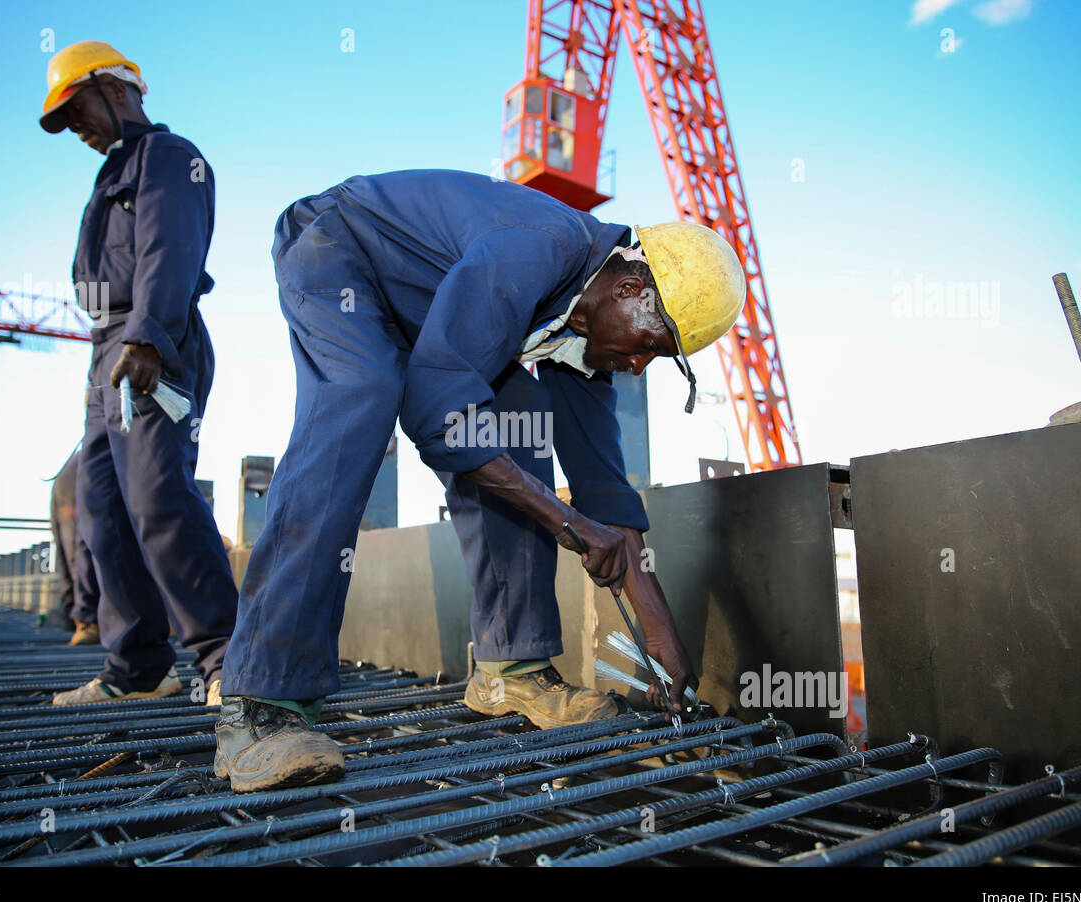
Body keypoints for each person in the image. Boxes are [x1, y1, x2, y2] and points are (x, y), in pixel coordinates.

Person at [214, 169, 747, 792]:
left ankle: (510, 668)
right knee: (360, 393)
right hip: (340, 248)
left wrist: (662, 636)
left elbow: (605, 491)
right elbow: (440, 413)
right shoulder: (536, 249)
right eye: (648, 345)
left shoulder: (583, 323)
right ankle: (260, 699)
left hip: (439, 305)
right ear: (629, 286)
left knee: (514, 433)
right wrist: (567, 523)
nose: (636, 364)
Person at [38, 41, 238, 706]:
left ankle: (227, 659)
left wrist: (149, 333)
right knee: (101, 509)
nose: (77, 130)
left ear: (115, 87)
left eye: (78, 111)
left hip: (153, 335)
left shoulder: (167, 157)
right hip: (106, 352)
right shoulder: (112, 172)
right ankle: (138, 667)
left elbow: (168, 247)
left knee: (157, 497)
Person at [48, 446, 101, 644]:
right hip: (79, 483)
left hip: (77, 479)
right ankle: (85, 617)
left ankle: (78, 613)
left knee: (74, 548)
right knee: (80, 547)